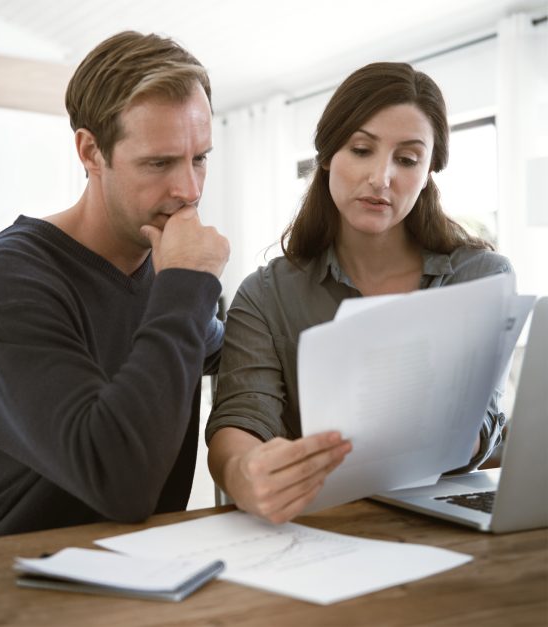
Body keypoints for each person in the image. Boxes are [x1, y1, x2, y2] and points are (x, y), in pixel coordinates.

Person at [0, 31, 230, 545]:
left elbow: (235, 353)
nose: (189, 190)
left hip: (138, 567)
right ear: (91, 151)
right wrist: (187, 284)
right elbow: (121, 486)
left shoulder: (168, 274)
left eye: (199, 158)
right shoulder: (8, 276)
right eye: (159, 163)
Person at [206, 62, 511, 525]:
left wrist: (447, 431)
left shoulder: (482, 277)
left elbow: (485, 423)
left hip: (444, 525)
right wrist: (242, 471)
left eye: (407, 159)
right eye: (362, 149)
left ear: (429, 171)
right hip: (317, 526)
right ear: (328, 155)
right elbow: (242, 419)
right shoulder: (266, 294)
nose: (381, 177)